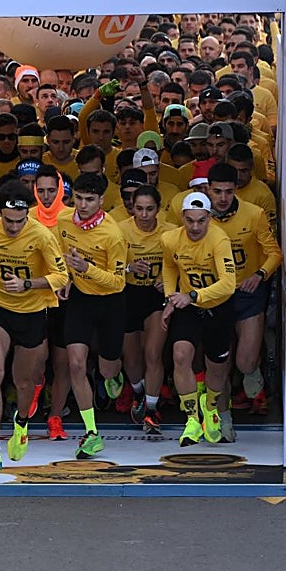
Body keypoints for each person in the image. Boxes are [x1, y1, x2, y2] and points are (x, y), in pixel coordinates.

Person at [0, 182, 68, 473]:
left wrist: (28, 284)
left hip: (32, 312)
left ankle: (21, 422)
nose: (13, 227)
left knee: (23, 381)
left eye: (19, 222)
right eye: (8, 221)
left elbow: (61, 276)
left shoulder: (42, 236)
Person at [53, 172, 128, 459]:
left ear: (101, 200)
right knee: (75, 364)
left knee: (108, 368)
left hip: (110, 302)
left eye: (89, 200)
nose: (82, 205)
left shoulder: (113, 234)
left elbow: (118, 282)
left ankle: (113, 374)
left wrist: (87, 270)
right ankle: (91, 432)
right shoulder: (63, 222)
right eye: (79, 199)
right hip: (81, 300)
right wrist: (68, 277)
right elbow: (60, 254)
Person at [207, 162, 282, 435]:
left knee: (245, 362)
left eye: (229, 191)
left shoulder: (255, 214)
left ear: (236, 190)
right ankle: (223, 418)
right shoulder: (198, 217)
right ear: (208, 190)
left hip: (248, 293)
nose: (223, 198)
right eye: (218, 192)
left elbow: (275, 252)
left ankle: (253, 371)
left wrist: (260, 275)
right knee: (218, 365)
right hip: (215, 297)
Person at [160, 192, 238, 447]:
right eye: (190, 220)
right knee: (180, 355)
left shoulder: (219, 240)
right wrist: (171, 299)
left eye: (201, 221)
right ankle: (192, 418)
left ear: (209, 218)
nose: (195, 227)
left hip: (217, 306)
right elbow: (170, 266)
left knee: (217, 366)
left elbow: (228, 284)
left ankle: (211, 408)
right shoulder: (170, 239)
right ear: (182, 217)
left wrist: (192, 295)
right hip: (188, 306)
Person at [119, 185, 174, 433]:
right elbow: (105, 266)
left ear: (158, 209)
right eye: (139, 209)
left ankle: (151, 411)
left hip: (155, 296)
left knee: (152, 353)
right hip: (128, 295)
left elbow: (184, 263)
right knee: (131, 358)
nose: (143, 215)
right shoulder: (119, 230)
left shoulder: (171, 233)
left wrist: (169, 280)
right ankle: (140, 393)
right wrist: (129, 269)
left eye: (149, 209)